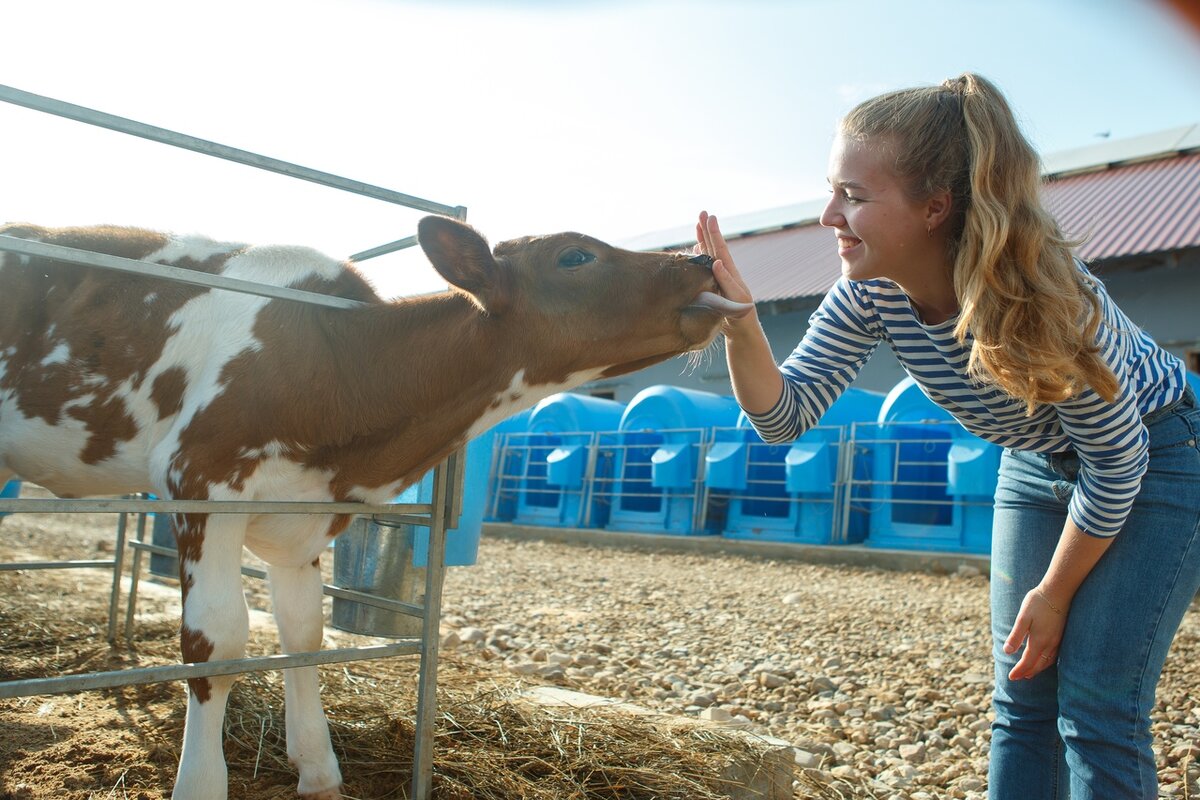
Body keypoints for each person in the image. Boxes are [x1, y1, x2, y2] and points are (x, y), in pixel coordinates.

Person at [695, 72, 1200, 799]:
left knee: (1096, 705)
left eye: (855, 197)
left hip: (1156, 456)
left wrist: (1054, 594)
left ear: (935, 207)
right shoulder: (868, 290)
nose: (828, 215)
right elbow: (783, 418)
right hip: (1034, 462)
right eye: (833, 190)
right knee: (1021, 696)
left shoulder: (1049, 300)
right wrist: (743, 325)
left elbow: (1117, 463)